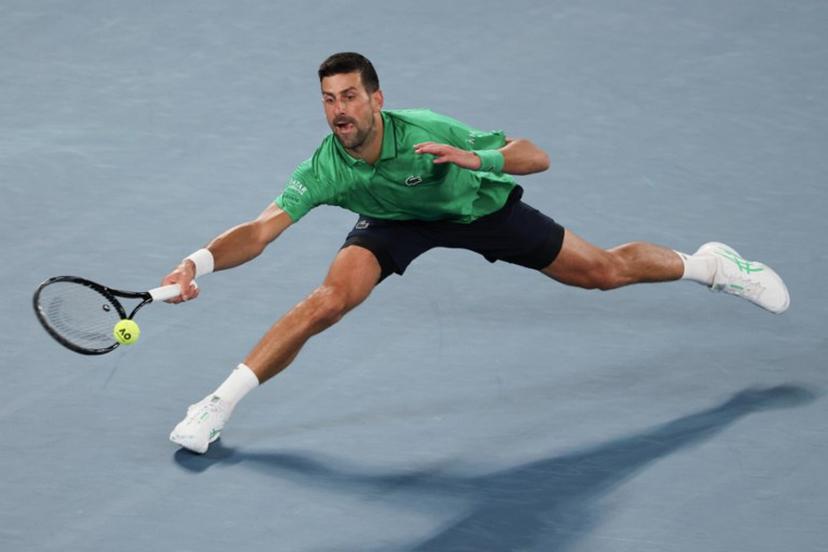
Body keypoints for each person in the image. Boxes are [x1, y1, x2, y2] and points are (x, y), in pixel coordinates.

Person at [164, 52, 790, 454]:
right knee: (328, 301)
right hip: (392, 223)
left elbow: (534, 156)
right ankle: (216, 405)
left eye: (349, 97)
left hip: (477, 207)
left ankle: (714, 265)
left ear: (376, 99)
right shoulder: (327, 167)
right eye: (329, 99)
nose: (339, 112)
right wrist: (198, 262)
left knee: (603, 273)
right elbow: (261, 228)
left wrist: (475, 158)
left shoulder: (427, 129)